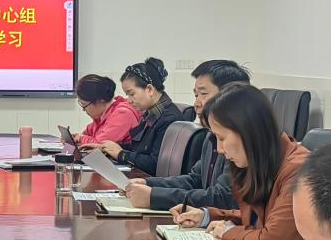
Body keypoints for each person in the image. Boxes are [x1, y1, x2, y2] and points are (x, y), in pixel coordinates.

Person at [173, 83, 331, 240]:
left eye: (222, 138)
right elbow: (263, 220)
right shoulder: (259, 161)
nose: (219, 149)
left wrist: (227, 233)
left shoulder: (299, 170)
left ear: (248, 132)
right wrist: (208, 216)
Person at [126, 59, 250, 211]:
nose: (196, 103)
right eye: (196, 95)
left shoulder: (240, 142)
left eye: (203, 94)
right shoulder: (211, 136)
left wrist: (154, 196)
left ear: (230, 96)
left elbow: (222, 198)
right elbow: (195, 179)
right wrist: (148, 184)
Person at [84, 59, 180, 176]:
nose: (129, 100)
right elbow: (138, 147)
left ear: (149, 89)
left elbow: (156, 164)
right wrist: (106, 148)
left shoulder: (169, 120)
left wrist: (121, 154)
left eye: (131, 94)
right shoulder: (150, 114)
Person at [70, 74, 140, 146]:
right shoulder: (102, 115)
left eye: (84, 105)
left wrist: (80, 138)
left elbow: (100, 145)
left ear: (100, 101)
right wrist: (72, 138)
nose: (83, 110)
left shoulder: (122, 114)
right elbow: (86, 135)